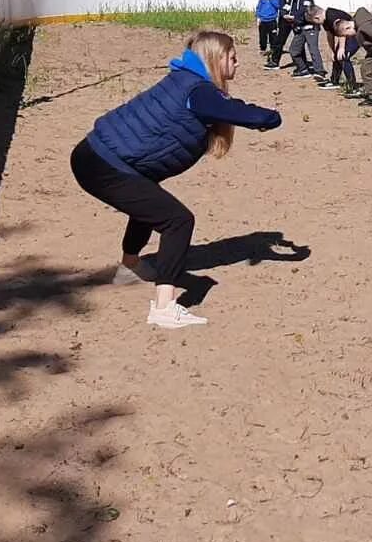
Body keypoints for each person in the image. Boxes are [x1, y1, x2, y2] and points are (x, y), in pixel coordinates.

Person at [70, 31, 282, 329]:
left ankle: (130, 267)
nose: (238, 63)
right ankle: (164, 307)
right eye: (233, 57)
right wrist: (273, 116)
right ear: (216, 58)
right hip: (102, 163)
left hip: (95, 156)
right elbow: (246, 115)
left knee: (149, 202)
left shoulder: (186, 81)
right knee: (178, 220)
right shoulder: (197, 91)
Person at [331, 6, 372, 109]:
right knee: (365, 69)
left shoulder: (364, 27)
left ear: (348, 28)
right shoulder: (357, 25)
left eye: (347, 35)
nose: (348, 37)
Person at [285, 0, 326, 81]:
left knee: (313, 49)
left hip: (311, 27)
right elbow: (286, 8)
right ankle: (303, 69)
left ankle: (319, 71)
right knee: (293, 50)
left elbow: (305, 12)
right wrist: (284, 15)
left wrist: (294, 17)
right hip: (299, 28)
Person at [313, 6, 359, 94]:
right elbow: (330, 35)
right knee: (337, 55)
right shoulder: (325, 20)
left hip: (353, 34)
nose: (316, 24)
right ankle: (334, 80)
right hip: (345, 35)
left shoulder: (331, 16)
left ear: (317, 17)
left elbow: (342, 30)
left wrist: (341, 48)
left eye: (315, 22)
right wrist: (332, 50)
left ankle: (353, 86)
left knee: (343, 56)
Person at [266, 0, 295, 68]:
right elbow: (281, 4)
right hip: (284, 19)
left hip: (294, 18)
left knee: (299, 40)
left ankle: (302, 64)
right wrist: (283, 14)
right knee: (280, 40)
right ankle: (275, 61)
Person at [254, 0, 282, 64]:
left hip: (272, 20)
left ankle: (273, 49)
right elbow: (258, 7)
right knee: (262, 36)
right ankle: (263, 49)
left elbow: (278, 6)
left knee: (273, 36)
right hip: (263, 21)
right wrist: (258, 17)